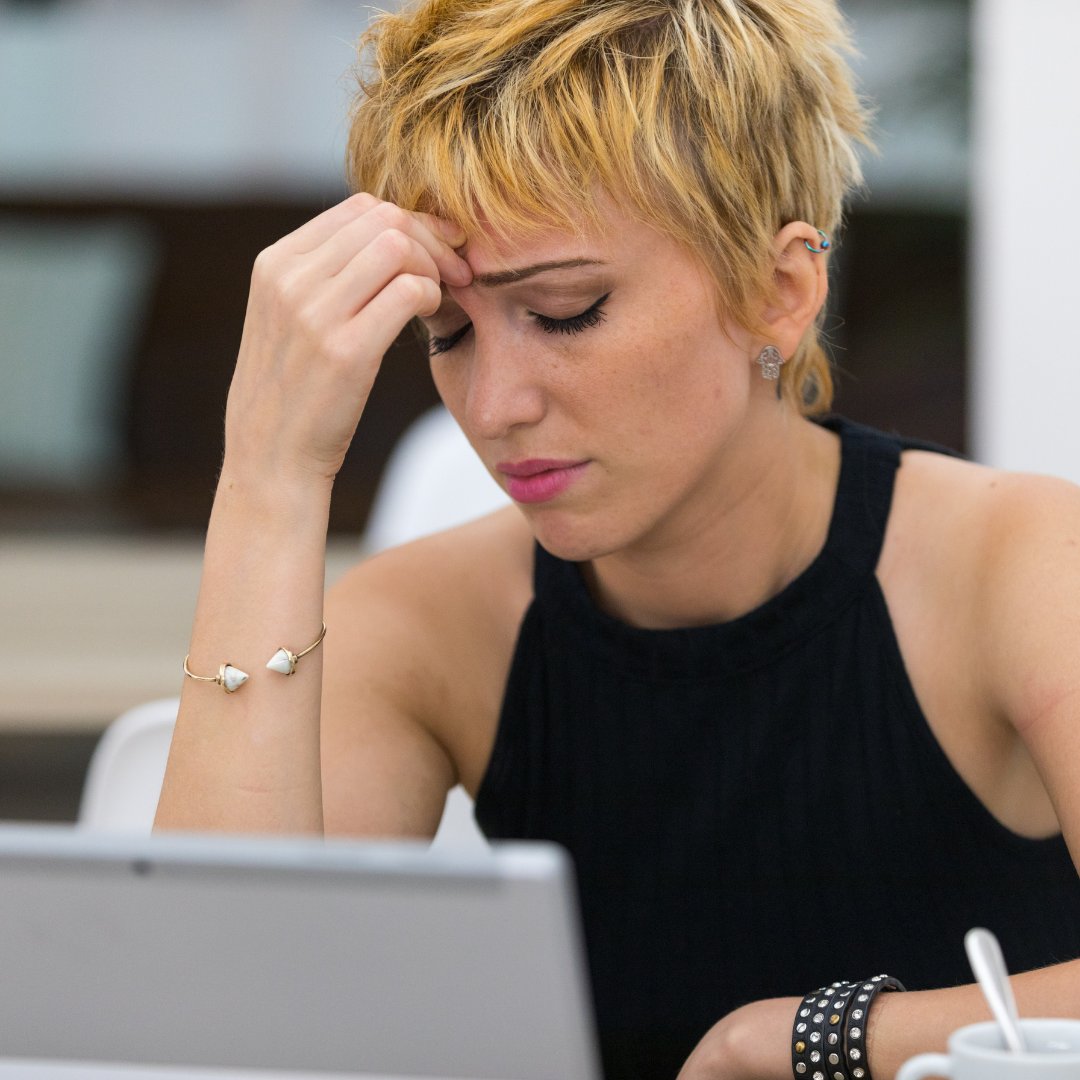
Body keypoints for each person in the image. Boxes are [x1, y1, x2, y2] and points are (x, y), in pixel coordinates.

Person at [156, 0, 1080, 1077]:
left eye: (565, 311)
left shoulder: (1019, 563)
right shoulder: (429, 628)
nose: (494, 404)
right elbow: (208, 1038)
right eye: (444, 333)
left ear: (779, 292)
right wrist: (267, 477)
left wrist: (788, 1041)